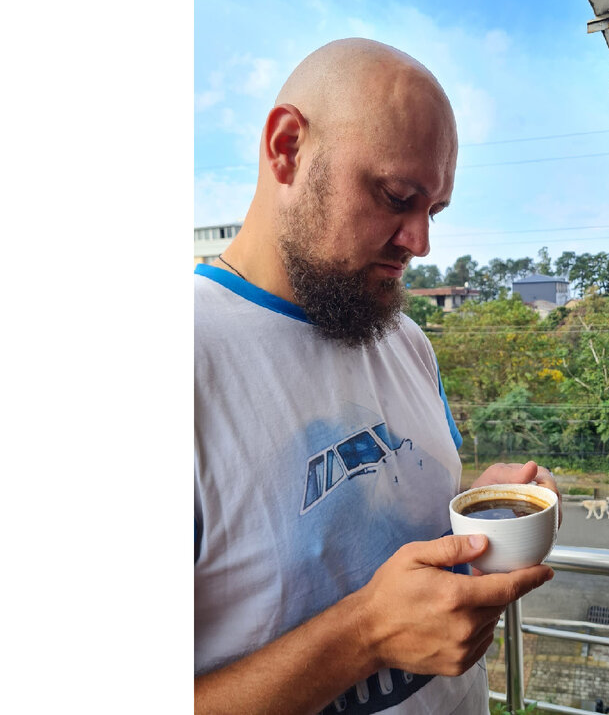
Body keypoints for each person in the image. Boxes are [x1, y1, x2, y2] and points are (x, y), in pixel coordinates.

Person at [194, 38, 559, 715]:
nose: (420, 241)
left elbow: (394, 535)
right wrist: (364, 637)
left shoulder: (406, 340)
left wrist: (479, 510)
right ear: (286, 147)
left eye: (433, 210)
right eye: (396, 196)